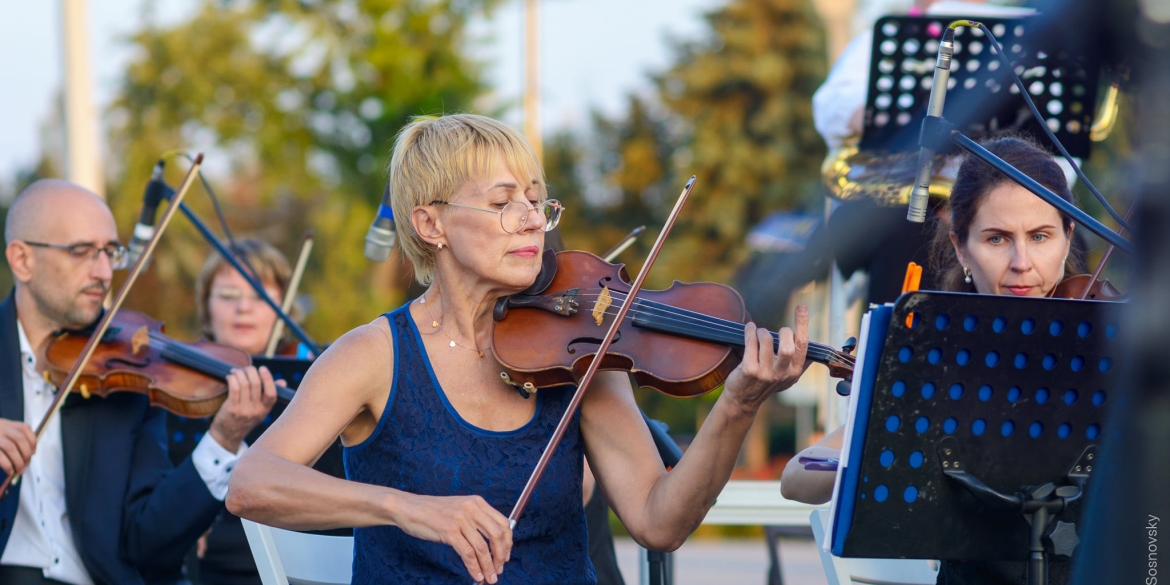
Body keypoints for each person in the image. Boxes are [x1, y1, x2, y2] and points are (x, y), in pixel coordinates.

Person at [226, 113, 812, 584]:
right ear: (431, 225)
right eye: (504, 201)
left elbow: (660, 522)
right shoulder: (374, 355)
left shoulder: (583, 355)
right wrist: (404, 507)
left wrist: (736, 407)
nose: (533, 219)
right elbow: (252, 483)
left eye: (537, 200)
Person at [780, 135, 1083, 584]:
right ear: (961, 247)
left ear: (1067, 236)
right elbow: (795, 477)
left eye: (1040, 236)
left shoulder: (1108, 347)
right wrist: (890, 446)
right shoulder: (938, 360)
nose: (1022, 262)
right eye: (997, 239)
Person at [0, 180, 280, 585]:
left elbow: (150, 545)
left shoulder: (124, 374)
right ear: (22, 260)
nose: (103, 273)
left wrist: (222, 439)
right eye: (81, 252)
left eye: (110, 252)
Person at [177, 239, 291, 585]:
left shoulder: (313, 375)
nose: (243, 308)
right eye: (227, 296)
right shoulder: (176, 382)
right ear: (206, 307)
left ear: (283, 308)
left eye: (259, 296)